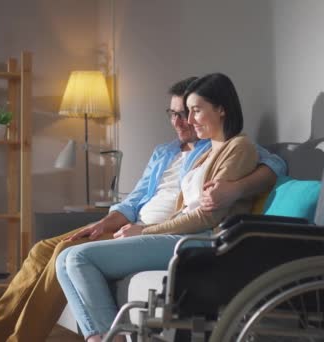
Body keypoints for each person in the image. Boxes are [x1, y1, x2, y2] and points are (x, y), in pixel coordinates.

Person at [0, 76, 285, 342]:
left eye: (190, 112)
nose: (183, 122)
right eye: (176, 114)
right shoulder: (170, 152)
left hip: (171, 232)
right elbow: (135, 198)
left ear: (217, 108)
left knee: (69, 255)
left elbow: (273, 165)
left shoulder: (227, 148)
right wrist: (108, 221)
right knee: (42, 250)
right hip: (136, 224)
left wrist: (235, 188)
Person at [56, 73, 261, 342]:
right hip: (181, 236)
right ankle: (101, 337)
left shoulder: (238, 147)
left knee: (79, 258)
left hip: (202, 242)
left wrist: (146, 231)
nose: (188, 121)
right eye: (187, 112)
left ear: (222, 109)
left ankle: (110, 339)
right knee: (64, 259)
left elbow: (206, 216)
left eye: (196, 111)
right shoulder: (210, 150)